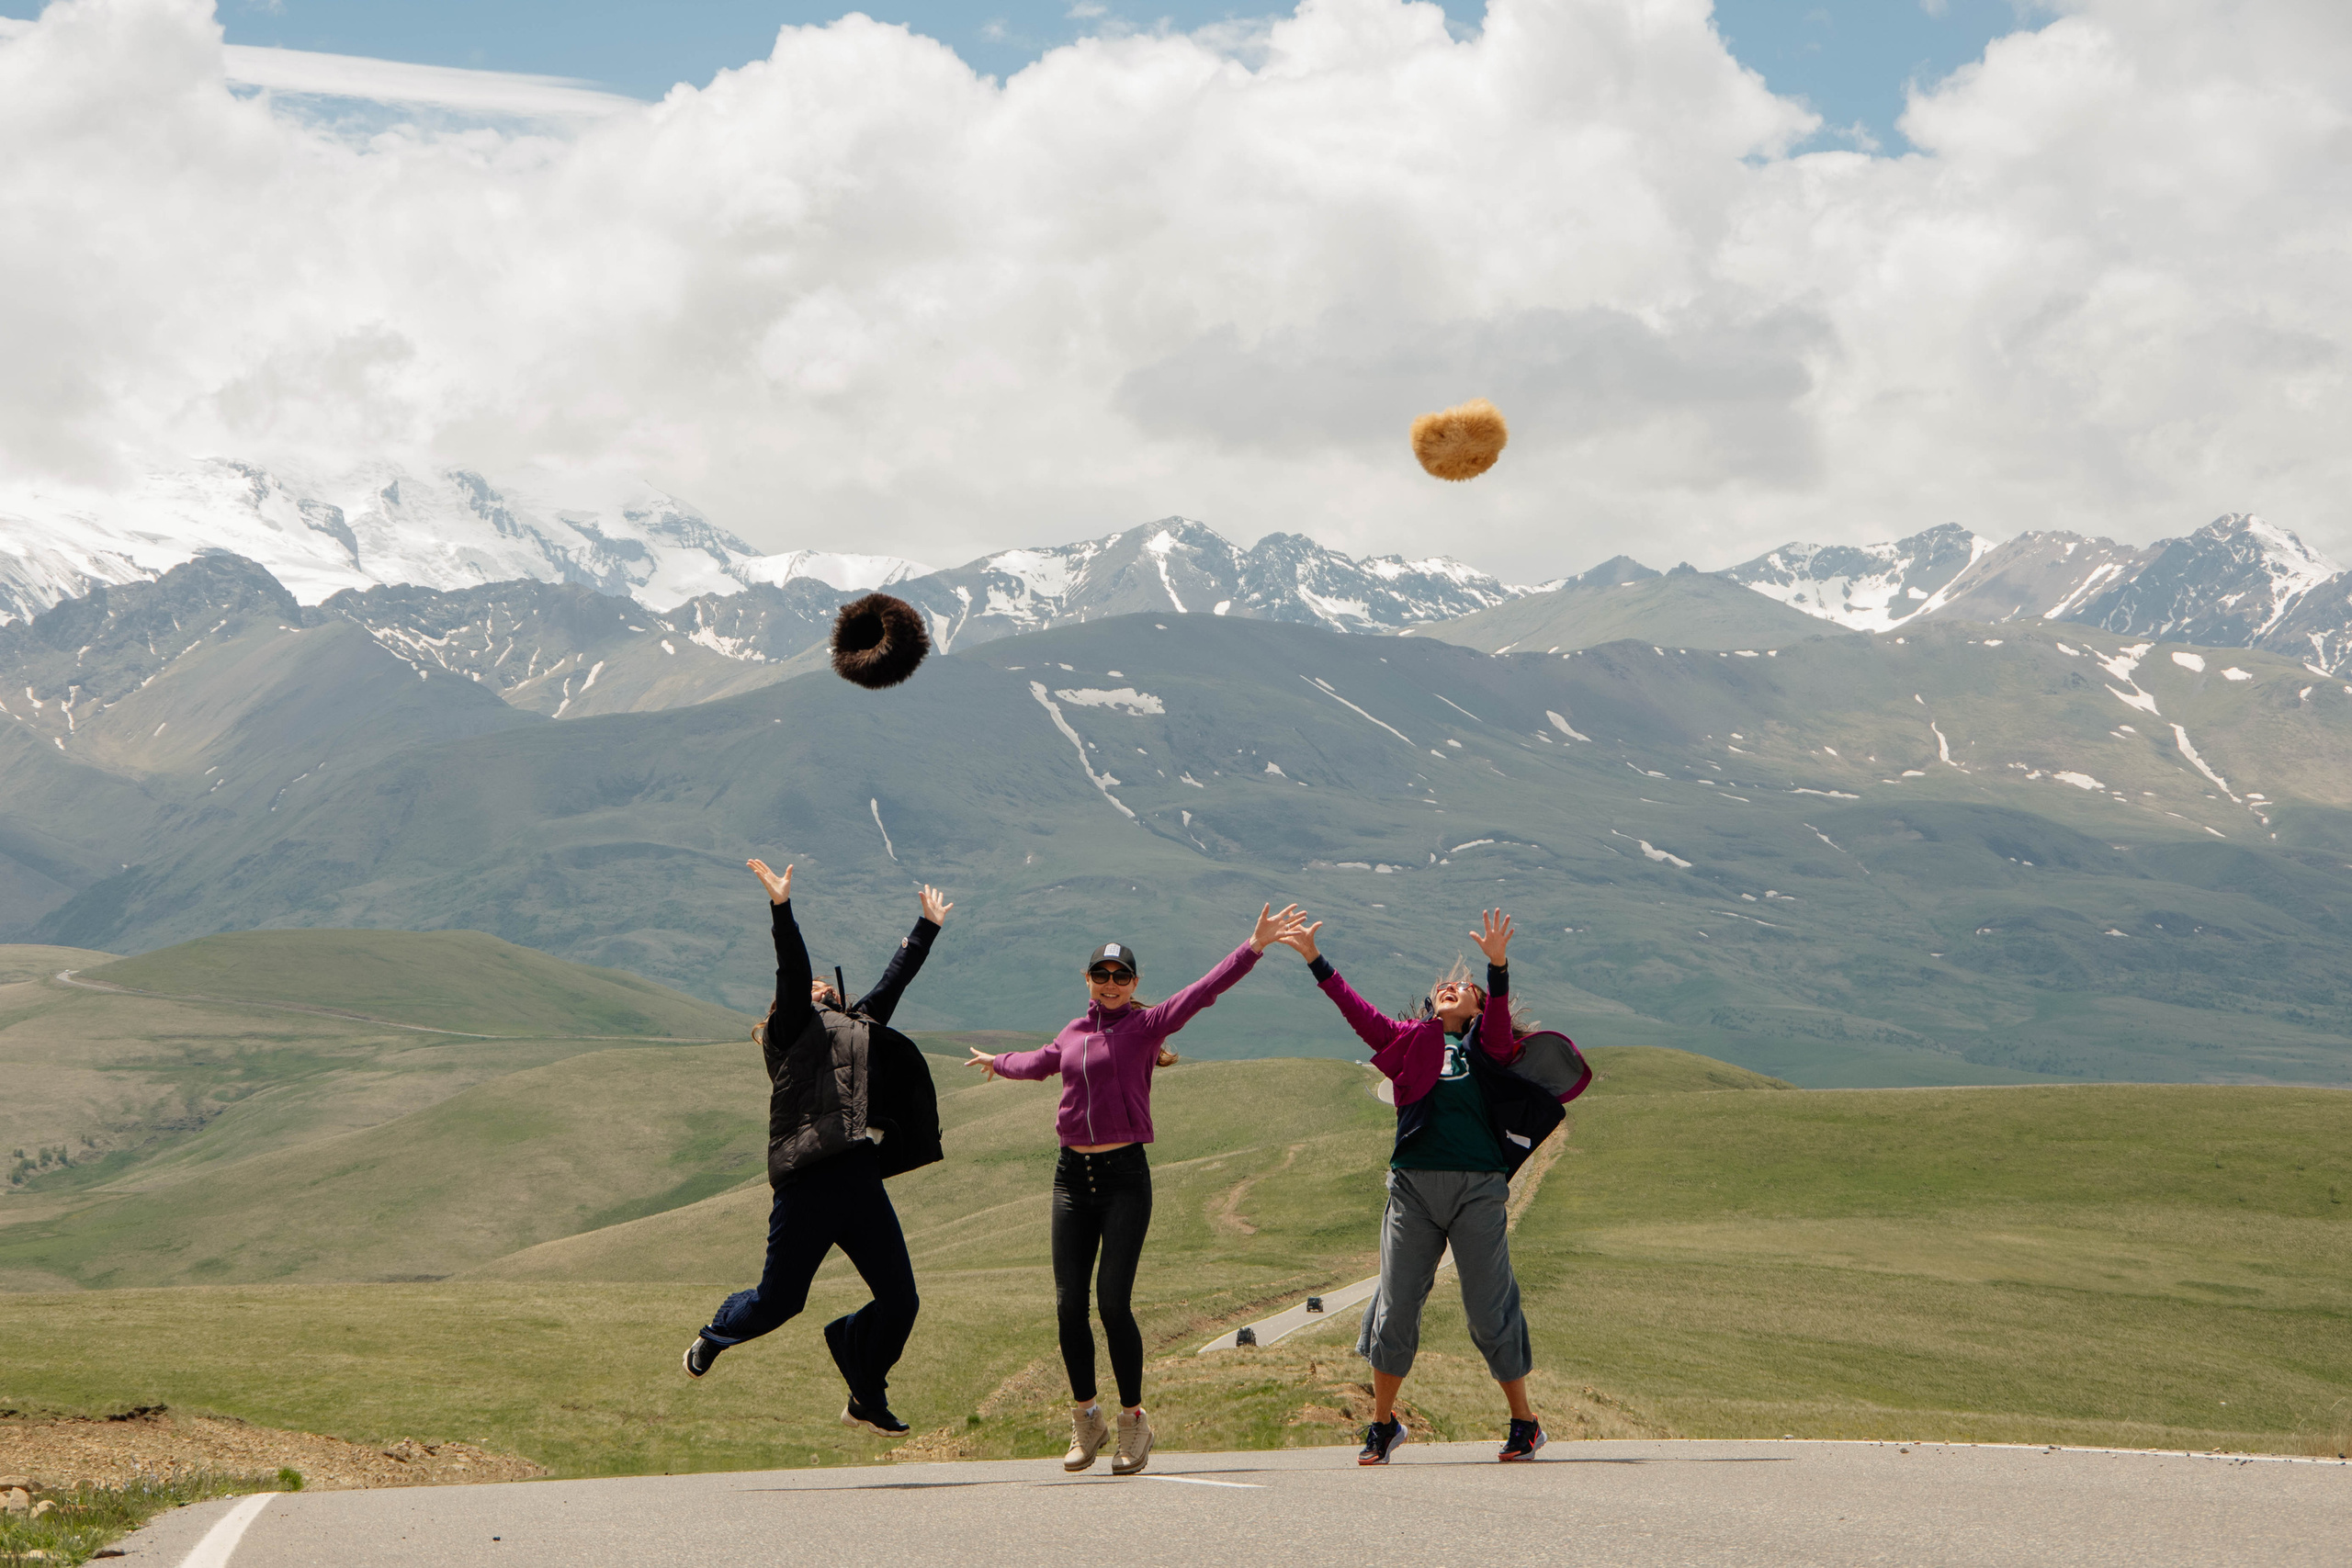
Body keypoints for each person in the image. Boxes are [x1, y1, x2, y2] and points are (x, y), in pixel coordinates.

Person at [965, 905, 1307, 1477]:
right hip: (1070, 1179)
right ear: (1088, 981)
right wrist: (997, 1062)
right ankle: (1086, 1417)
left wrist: (1253, 946)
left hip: (1125, 1179)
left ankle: (1132, 1420)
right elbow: (1039, 1063)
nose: (1111, 984)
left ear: (1135, 984)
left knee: (1112, 1303)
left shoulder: (1148, 1027)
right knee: (1069, 1306)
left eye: (1121, 976)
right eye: (1101, 975)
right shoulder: (1073, 1033)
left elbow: (1203, 991)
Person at [1275, 908, 1566, 1465]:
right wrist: (1316, 960)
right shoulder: (1406, 1041)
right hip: (1412, 1188)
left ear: (1478, 1006)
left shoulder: (1489, 1049)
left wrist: (1497, 969)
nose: (1452, 988)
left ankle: (1524, 1423)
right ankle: (1383, 1426)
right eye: (1444, 986)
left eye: (1466, 988)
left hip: (1479, 1190)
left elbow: (1501, 1024)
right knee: (1395, 1305)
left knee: (1489, 1308)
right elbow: (1356, 1012)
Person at [681, 860, 953, 1438]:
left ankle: (864, 1391)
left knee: (901, 1301)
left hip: (857, 1175)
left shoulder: (854, 1027)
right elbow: (792, 966)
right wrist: (782, 908)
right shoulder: (788, 1034)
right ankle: (714, 1335)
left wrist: (925, 926)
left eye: (819, 985)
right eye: (805, 988)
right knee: (779, 1304)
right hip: (807, 1181)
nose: (815, 985)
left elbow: (892, 982)